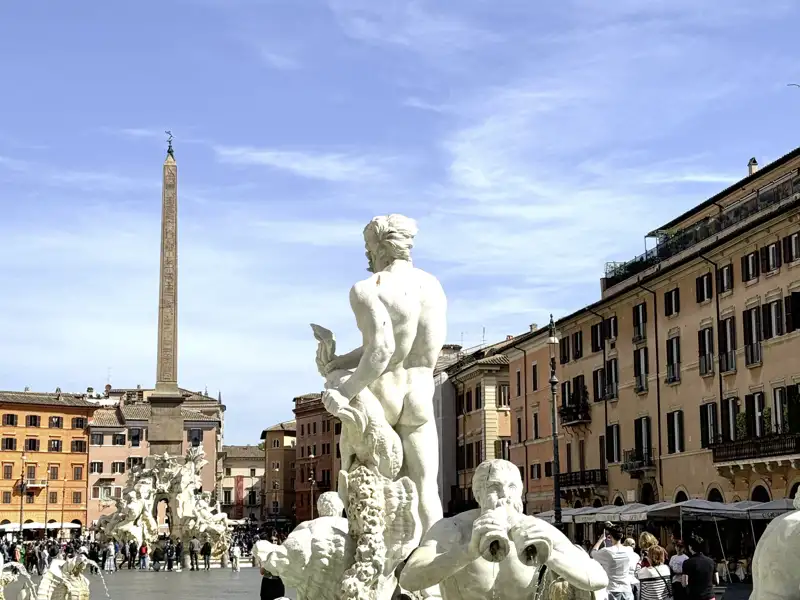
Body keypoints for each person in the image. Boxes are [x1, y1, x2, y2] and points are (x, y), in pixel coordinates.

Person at [317, 215, 448, 535]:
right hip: (419, 395)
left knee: (370, 493)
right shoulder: (432, 285)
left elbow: (382, 351)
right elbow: (396, 347)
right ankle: (432, 579)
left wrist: (342, 391)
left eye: (367, 248)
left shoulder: (368, 289)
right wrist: (338, 361)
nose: (365, 257)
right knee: (425, 493)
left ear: (378, 248)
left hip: (384, 398)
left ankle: (376, 570)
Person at [400, 459, 608, 599]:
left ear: (520, 494)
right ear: (478, 495)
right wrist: (468, 551)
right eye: (494, 488)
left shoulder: (536, 529)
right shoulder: (453, 528)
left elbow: (598, 580)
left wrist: (550, 554)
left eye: (512, 488)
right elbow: (409, 579)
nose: (505, 496)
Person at [592, 526, 633, 600]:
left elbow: (593, 553)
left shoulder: (607, 551)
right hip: (627, 589)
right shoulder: (629, 550)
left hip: (612, 590)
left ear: (610, 537)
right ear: (622, 536)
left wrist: (601, 539)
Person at [682, 534, 718, 600]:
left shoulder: (687, 563)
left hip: (694, 596)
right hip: (709, 596)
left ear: (690, 547)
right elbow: (717, 580)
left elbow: (684, 583)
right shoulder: (711, 561)